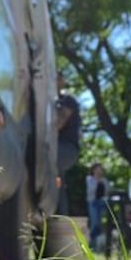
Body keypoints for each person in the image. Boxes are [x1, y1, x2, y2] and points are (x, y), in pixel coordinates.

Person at [54, 70, 81, 215]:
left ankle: (59, 217)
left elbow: (58, 124)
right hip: (54, 148)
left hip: (67, 149)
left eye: (57, 78)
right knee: (57, 181)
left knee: (48, 160)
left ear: (62, 82)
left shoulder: (67, 100)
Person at [85, 163, 108, 250]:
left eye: (100, 169)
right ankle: (91, 243)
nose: (99, 171)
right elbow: (91, 190)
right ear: (94, 170)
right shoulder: (89, 179)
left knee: (100, 223)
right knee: (94, 223)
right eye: (97, 169)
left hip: (102, 203)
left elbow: (107, 191)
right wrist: (97, 181)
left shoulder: (104, 180)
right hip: (93, 203)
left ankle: (97, 245)